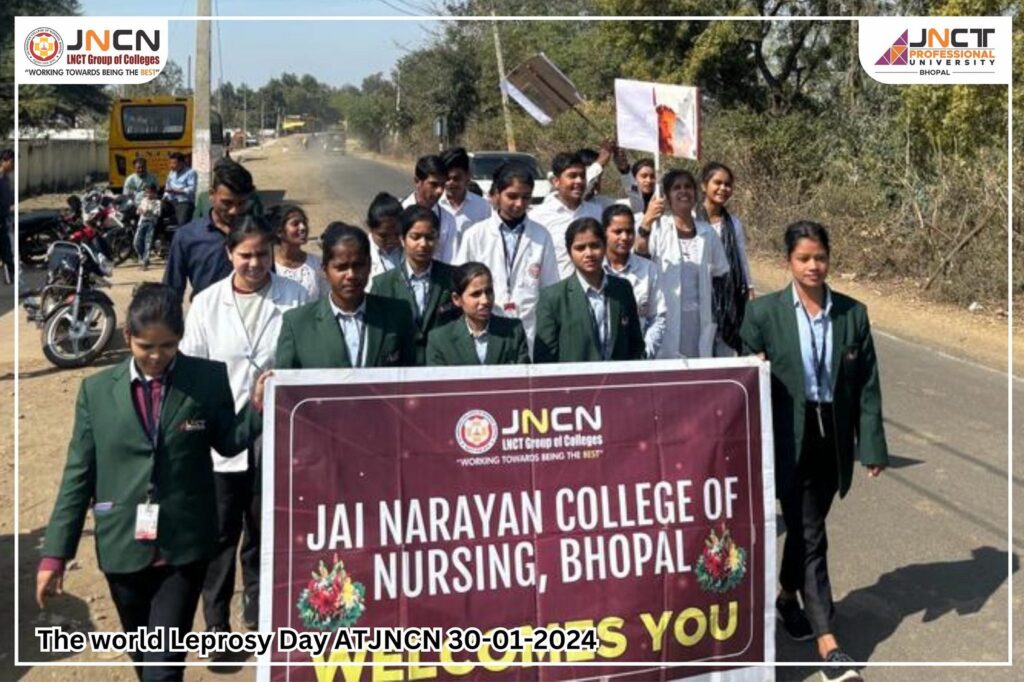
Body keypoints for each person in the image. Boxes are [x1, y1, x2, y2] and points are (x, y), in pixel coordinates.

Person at [36, 283, 267, 681]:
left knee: (163, 669)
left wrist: (259, 409)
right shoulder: (95, 392)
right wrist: (55, 554)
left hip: (184, 546)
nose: (157, 357)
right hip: (122, 545)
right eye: (146, 346)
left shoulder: (206, 379)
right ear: (127, 336)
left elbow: (227, 442)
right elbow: (79, 474)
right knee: (147, 665)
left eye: (169, 346)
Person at [740, 221, 888, 682]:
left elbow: (866, 385)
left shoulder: (851, 314)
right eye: (804, 258)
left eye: (819, 257)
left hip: (832, 439)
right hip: (787, 437)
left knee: (809, 525)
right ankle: (829, 642)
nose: (813, 266)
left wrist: (872, 445)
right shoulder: (763, 315)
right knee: (810, 531)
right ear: (789, 261)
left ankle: (787, 597)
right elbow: (744, 379)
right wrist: (753, 367)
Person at [180, 215, 308, 641]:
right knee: (220, 535)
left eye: (262, 254)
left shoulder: (296, 295)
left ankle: (258, 606)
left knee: (264, 527)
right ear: (228, 254)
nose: (255, 263)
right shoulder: (207, 303)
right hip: (222, 435)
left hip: (277, 431)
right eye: (245, 255)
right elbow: (191, 370)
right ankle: (216, 624)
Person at [274, 222, 416, 369]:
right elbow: (286, 386)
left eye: (358, 265)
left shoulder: (398, 314)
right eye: (341, 267)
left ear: (369, 265)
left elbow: (412, 378)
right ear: (325, 270)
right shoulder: (298, 324)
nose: (351, 275)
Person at [454, 162, 559, 351]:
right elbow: (462, 285)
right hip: (486, 324)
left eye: (526, 197)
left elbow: (550, 289)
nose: (519, 204)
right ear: (496, 195)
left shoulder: (541, 235)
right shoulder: (476, 234)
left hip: (529, 328)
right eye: (512, 196)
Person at [635, 169, 729, 359]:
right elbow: (639, 255)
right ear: (667, 196)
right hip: (664, 317)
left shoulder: (707, 233)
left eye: (688, 187)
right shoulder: (659, 227)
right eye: (676, 188)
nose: (683, 191)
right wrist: (647, 222)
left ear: (695, 194)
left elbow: (720, 272)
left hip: (698, 321)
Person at [533, 217, 644, 363]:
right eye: (580, 248)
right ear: (569, 252)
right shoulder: (553, 297)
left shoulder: (622, 289)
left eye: (594, 246)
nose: (589, 254)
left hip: (618, 382)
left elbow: (635, 345)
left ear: (604, 247)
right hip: (574, 384)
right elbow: (544, 358)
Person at [371, 205, 459, 366]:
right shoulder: (382, 284)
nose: (423, 244)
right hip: (400, 371)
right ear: (402, 239)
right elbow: (377, 336)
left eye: (430, 237)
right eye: (415, 237)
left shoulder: (452, 278)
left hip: (443, 366)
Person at [163, 158, 254, 302]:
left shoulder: (257, 235)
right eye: (227, 203)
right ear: (212, 194)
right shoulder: (187, 236)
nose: (234, 211)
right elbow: (171, 291)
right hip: (206, 320)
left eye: (241, 203)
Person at [696, 162, 755, 355]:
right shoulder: (691, 218)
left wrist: (749, 287)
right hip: (698, 293)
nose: (723, 188)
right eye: (717, 182)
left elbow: (740, 256)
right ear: (704, 186)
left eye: (727, 184)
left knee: (726, 345)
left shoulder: (733, 223)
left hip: (728, 293)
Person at [426, 262, 530, 366]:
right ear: (457, 299)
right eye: (476, 294)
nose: (485, 300)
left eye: (489, 292)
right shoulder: (440, 340)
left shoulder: (513, 332)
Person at [602, 204, 667, 360]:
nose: (625, 237)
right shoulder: (594, 269)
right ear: (604, 233)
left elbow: (657, 318)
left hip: (638, 358)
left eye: (629, 231)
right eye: (618, 232)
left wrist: (644, 354)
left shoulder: (648, 269)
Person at [529, 151, 603, 278]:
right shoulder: (537, 217)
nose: (579, 181)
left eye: (582, 176)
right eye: (572, 176)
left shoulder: (597, 212)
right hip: (555, 291)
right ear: (556, 181)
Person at [401, 155, 459, 263]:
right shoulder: (399, 211)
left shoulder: (448, 219)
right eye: (434, 184)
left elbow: (451, 260)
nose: (440, 191)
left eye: (443, 185)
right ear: (417, 181)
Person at [269, 204, 327, 299]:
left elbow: (325, 298)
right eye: (295, 224)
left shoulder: (316, 263)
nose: (303, 227)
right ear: (279, 232)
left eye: (304, 223)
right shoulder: (269, 266)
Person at [439, 147, 492, 241]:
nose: (450, 183)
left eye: (456, 178)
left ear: (468, 175)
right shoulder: (435, 205)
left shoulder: (483, 208)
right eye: (447, 178)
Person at [366, 192, 404, 284]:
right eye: (383, 236)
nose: (391, 240)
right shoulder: (362, 253)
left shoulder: (408, 249)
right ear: (370, 227)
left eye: (396, 234)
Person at [163, 152, 198, 226]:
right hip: (170, 200)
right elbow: (167, 186)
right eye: (171, 163)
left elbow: (191, 190)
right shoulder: (171, 173)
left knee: (182, 223)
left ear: (182, 163)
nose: (172, 166)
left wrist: (177, 191)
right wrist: (164, 197)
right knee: (154, 213)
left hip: (183, 201)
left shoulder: (191, 172)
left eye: (174, 163)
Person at [134, 181, 162, 271]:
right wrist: (140, 210)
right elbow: (138, 211)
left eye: (150, 192)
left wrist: (149, 210)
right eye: (147, 192)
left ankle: (145, 262)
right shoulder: (144, 200)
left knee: (147, 243)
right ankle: (143, 257)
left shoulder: (157, 202)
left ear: (154, 192)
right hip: (142, 223)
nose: (148, 194)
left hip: (150, 224)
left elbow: (158, 213)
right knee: (136, 242)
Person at [0, 149, 14, 285]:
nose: (14, 165)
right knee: (7, 252)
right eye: (12, 162)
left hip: (5, 218)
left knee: (8, 252)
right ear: (3, 161)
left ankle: (14, 280)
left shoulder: (6, 178)